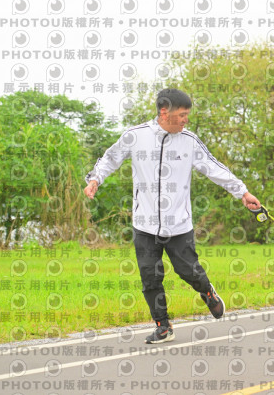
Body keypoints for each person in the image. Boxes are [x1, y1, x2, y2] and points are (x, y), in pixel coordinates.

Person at [83, 88, 261, 344]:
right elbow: (110, 158)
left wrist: (242, 192)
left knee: (189, 272)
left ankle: (207, 292)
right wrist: (95, 179)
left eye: (187, 115)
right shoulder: (136, 136)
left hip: (178, 225)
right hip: (144, 225)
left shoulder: (189, 141)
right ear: (164, 112)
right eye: (182, 115)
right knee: (150, 279)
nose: (186, 120)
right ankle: (163, 326)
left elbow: (214, 168)